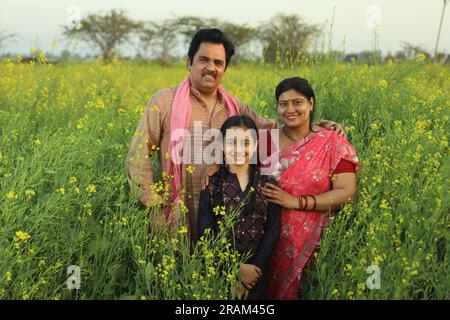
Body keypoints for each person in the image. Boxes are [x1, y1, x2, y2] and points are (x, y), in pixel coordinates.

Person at [126, 28, 344, 242]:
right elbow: (138, 156)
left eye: (218, 63)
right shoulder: (165, 102)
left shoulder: (235, 107)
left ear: (225, 69)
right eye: (203, 60)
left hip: (222, 224)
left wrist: (314, 125)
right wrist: (154, 206)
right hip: (174, 218)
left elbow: (274, 130)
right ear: (189, 62)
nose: (211, 68)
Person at [260, 77, 361, 300]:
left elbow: (347, 192)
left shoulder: (331, 142)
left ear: (311, 104)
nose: (290, 109)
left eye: (298, 102)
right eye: (283, 103)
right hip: (265, 242)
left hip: (313, 246)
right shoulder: (264, 141)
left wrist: (297, 202)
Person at [197, 115, 280, 300]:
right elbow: (205, 232)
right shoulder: (211, 184)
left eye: (246, 142)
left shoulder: (268, 183)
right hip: (218, 270)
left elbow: (273, 231)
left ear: (256, 145)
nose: (239, 149)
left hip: (257, 275)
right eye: (232, 142)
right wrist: (235, 269)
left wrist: (252, 272)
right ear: (221, 146)